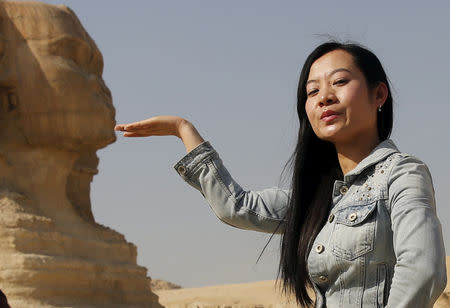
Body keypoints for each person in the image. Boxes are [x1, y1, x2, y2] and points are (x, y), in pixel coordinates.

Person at [115, 41, 447, 307]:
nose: (324, 97)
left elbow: (423, 270)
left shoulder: (402, 174)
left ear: (379, 94)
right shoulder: (317, 199)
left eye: (340, 82)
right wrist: (182, 130)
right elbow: (237, 206)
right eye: (312, 91)